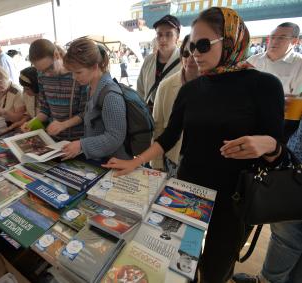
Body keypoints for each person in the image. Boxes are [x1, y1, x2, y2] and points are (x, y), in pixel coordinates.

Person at [103, 7, 286, 283]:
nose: (195, 54)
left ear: (230, 40)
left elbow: (279, 150)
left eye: (203, 45)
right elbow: (168, 137)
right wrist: (135, 161)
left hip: (234, 198)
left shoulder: (264, 85)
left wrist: (268, 144)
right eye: (190, 47)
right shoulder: (191, 89)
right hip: (188, 190)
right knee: (178, 262)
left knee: (215, 268)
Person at [232, 123, 302, 283]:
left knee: (286, 238)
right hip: (291, 172)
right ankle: (266, 279)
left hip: (293, 176)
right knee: (284, 236)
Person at [61, 38, 129, 160]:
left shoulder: (110, 95)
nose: (74, 77)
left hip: (113, 162)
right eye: (72, 72)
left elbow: (115, 137)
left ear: (94, 67)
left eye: (78, 72)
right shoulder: (91, 88)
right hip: (100, 160)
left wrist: (81, 145)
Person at [21, 39, 87, 141]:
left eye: (49, 68)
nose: (47, 74)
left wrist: (63, 125)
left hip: (77, 141)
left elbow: (85, 112)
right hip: (54, 140)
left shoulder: (78, 75)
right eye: (41, 70)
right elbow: (45, 109)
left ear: (56, 55)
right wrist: (31, 123)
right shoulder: (41, 75)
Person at [150, 34, 199, 175]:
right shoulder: (166, 86)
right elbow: (157, 125)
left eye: (194, 53)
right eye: (185, 53)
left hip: (201, 161)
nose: (190, 58)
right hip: (173, 159)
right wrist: (156, 164)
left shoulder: (214, 86)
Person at [137, 15, 181, 104]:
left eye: (169, 34)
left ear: (177, 37)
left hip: (172, 115)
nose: (163, 39)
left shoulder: (185, 62)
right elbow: (140, 89)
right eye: (159, 34)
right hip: (148, 114)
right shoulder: (148, 60)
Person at [248, 22, 302, 96]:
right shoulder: (252, 60)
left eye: (281, 38)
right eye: (272, 37)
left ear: (294, 41)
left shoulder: (299, 65)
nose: (275, 41)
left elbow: (297, 99)